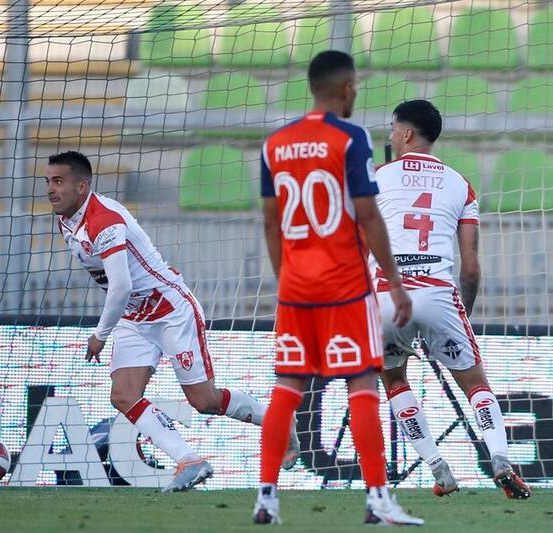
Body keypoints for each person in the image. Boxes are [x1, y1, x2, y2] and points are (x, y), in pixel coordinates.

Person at [46, 151, 299, 492]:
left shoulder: (104, 220)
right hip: (134, 318)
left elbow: (121, 286)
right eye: (48, 182)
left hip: (170, 311)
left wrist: (100, 335)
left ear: (81, 186)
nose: (51, 189)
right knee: (123, 395)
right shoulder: (66, 221)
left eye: (58, 181)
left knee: (204, 401)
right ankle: (189, 461)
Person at [253, 50, 424, 526]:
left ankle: (266, 496)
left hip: (295, 288)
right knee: (362, 384)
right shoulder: (351, 138)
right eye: (356, 87)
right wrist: (394, 283)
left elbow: (270, 223)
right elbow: (368, 215)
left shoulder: (275, 143)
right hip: (346, 286)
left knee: (287, 386)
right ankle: (378, 499)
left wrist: (286, 279)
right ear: (346, 88)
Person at [373, 99, 531, 499]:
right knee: (475, 383)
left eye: (393, 129)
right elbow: (471, 267)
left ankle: (438, 468)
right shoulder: (461, 184)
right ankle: (500, 459)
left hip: (386, 294)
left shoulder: (376, 177)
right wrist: (463, 315)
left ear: (407, 134)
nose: (390, 135)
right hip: (437, 292)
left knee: (394, 379)